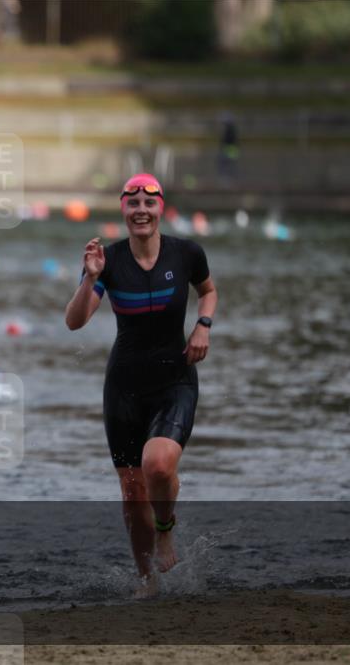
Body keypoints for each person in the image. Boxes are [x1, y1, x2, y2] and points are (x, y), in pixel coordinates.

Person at [64, 173, 217, 597]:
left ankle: (166, 529)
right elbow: (75, 321)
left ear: (160, 208)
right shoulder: (107, 260)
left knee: (160, 465)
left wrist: (203, 326)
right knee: (132, 493)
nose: (141, 211)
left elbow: (207, 291)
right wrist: (89, 277)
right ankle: (146, 580)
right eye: (133, 205)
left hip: (175, 378)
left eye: (149, 204)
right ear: (124, 210)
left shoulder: (187, 253)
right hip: (124, 387)